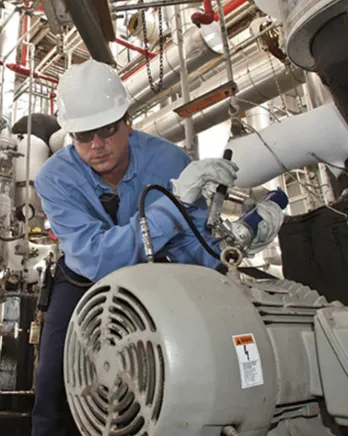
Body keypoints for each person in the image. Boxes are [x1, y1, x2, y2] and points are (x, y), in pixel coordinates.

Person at [31, 59, 283, 435]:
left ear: (127, 120)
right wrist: (175, 202)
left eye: (106, 130)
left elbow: (195, 251)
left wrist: (237, 243)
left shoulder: (169, 161)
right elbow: (97, 258)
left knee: (184, 367)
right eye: (83, 136)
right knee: (53, 383)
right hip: (83, 276)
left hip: (158, 270)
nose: (96, 145)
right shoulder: (54, 178)